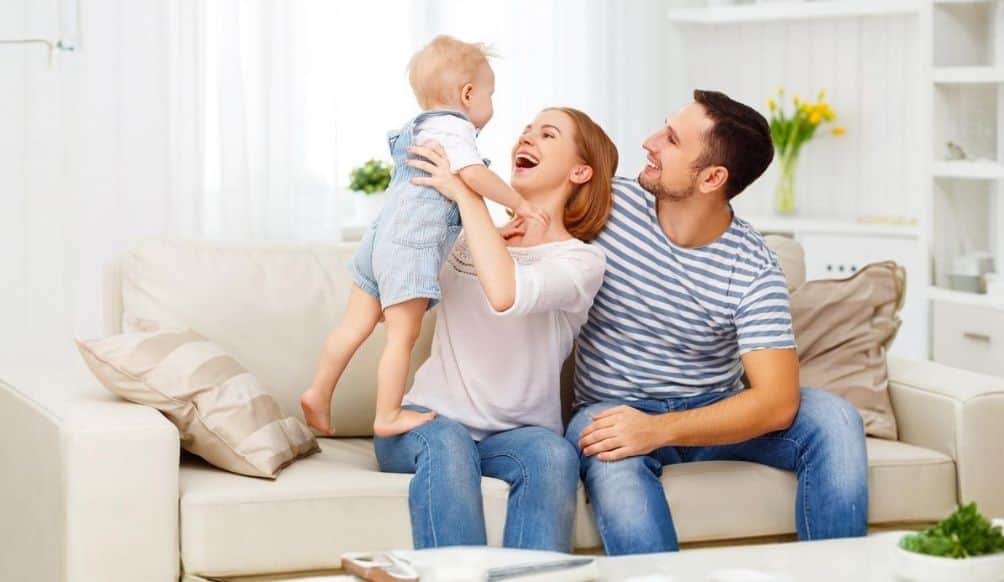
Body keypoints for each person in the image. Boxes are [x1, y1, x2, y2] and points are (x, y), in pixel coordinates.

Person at [567, 90, 870, 555]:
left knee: (832, 418)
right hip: (615, 408)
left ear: (711, 177)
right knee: (612, 454)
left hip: (712, 409)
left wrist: (661, 429)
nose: (649, 142)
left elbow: (776, 402)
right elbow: (527, 204)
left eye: (670, 139)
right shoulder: (606, 205)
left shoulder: (753, 266)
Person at [371, 107, 616, 551]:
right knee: (449, 445)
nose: (527, 138)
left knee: (554, 455)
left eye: (547, 134)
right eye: (526, 130)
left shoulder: (580, 261)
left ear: (580, 170)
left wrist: (469, 197)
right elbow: (394, 280)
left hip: (515, 436)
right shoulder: (466, 237)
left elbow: (506, 294)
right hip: (429, 422)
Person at [299, 35, 549, 438]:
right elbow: (472, 178)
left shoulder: (420, 129)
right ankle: (388, 414)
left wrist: (496, 232)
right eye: (491, 94)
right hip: (408, 249)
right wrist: (518, 203)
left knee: (353, 327)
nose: (492, 105)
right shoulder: (455, 129)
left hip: (380, 240)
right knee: (402, 336)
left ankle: (318, 390)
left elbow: (445, 205)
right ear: (468, 94)